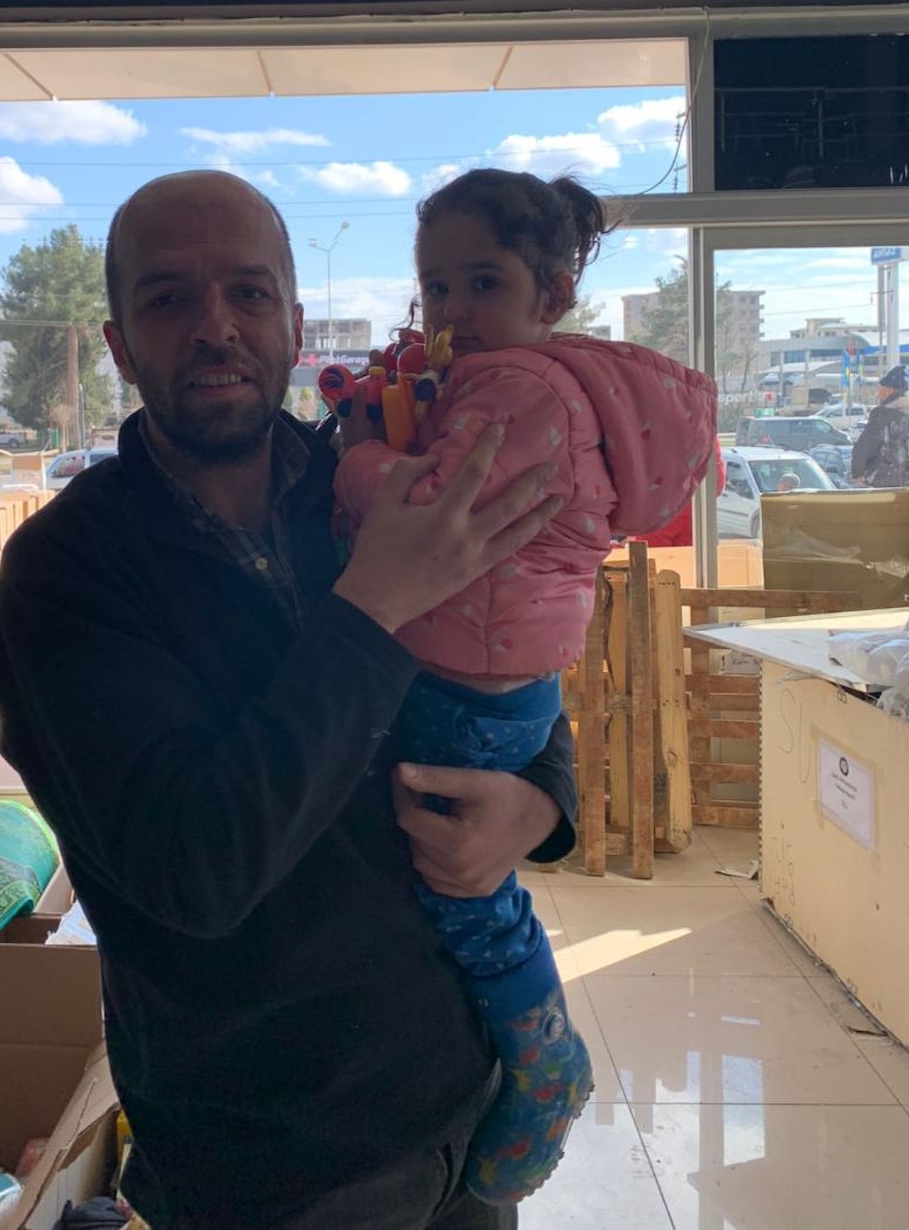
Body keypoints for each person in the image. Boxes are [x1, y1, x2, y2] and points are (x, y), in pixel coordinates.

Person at [0, 169, 582, 1230]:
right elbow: (196, 868)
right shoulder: (64, 576)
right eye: (170, 298)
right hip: (272, 1163)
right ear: (120, 344)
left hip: (461, 1095)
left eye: (249, 293)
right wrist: (374, 605)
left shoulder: (374, 484)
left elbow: (506, 666)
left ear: (295, 325)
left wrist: (538, 804)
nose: (216, 325)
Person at [331, 169, 716, 1203]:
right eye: (436, 287)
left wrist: (361, 456)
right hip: (492, 671)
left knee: (465, 894)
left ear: (552, 293)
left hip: (469, 681)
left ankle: (548, 1065)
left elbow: (431, 504)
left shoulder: (517, 389)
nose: (453, 311)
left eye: (483, 283)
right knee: (459, 877)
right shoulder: (528, 380)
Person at [852, 365, 909, 488]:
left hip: (885, 481)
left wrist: (857, 472)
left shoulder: (882, 415)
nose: (877, 394)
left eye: (880, 389)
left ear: (889, 390)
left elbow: (864, 446)